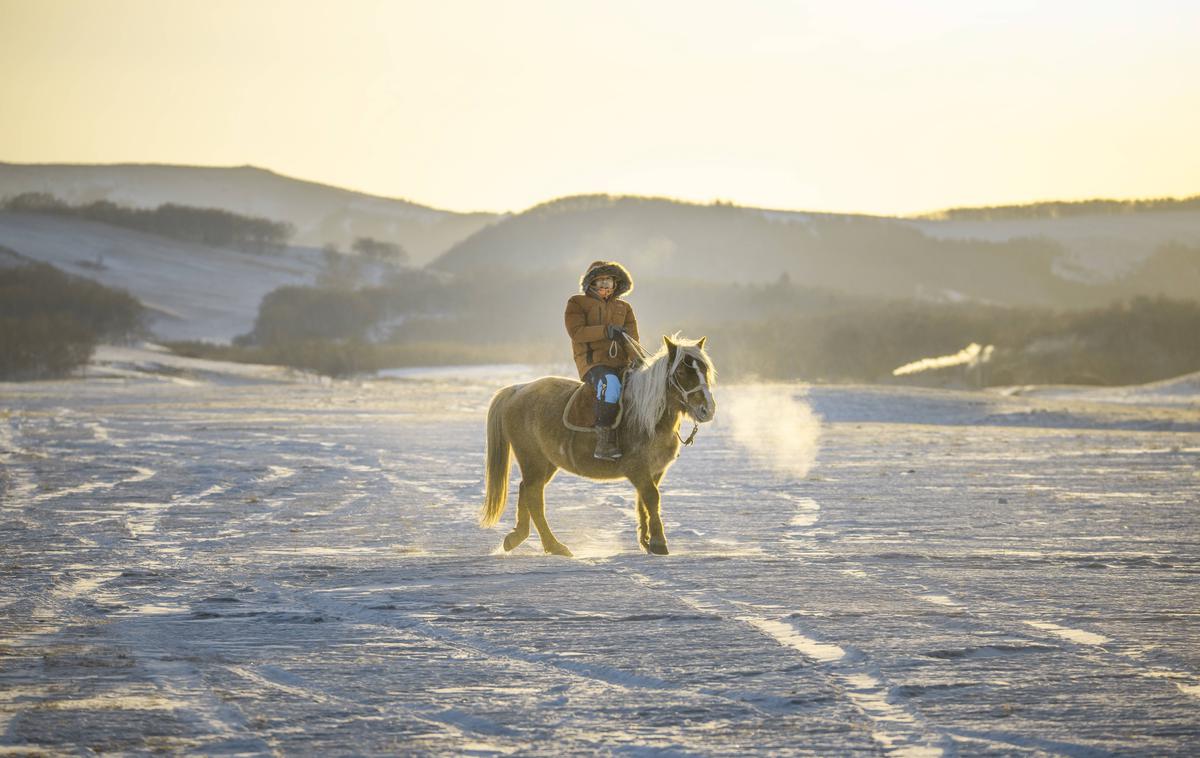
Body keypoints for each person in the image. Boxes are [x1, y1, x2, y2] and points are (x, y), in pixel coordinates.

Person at [564, 260, 640, 460]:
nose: (606, 286)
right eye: (601, 282)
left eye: (609, 282)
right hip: (593, 363)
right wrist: (606, 331)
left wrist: (637, 360)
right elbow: (577, 332)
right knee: (611, 385)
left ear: (616, 284)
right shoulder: (576, 303)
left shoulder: (624, 307)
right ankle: (604, 442)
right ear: (592, 283)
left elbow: (633, 339)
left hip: (621, 363)